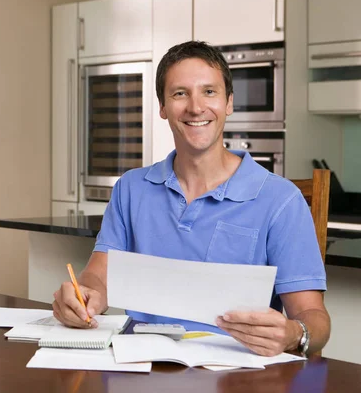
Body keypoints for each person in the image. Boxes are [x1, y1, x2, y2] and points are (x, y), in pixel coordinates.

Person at [52, 41, 331, 357]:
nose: (196, 107)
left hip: (236, 377)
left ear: (229, 103)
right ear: (162, 107)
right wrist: (83, 296)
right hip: (140, 365)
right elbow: (97, 277)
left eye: (209, 92)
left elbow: (315, 318)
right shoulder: (130, 188)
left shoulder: (281, 200)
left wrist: (296, 333)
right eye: (180, 93)